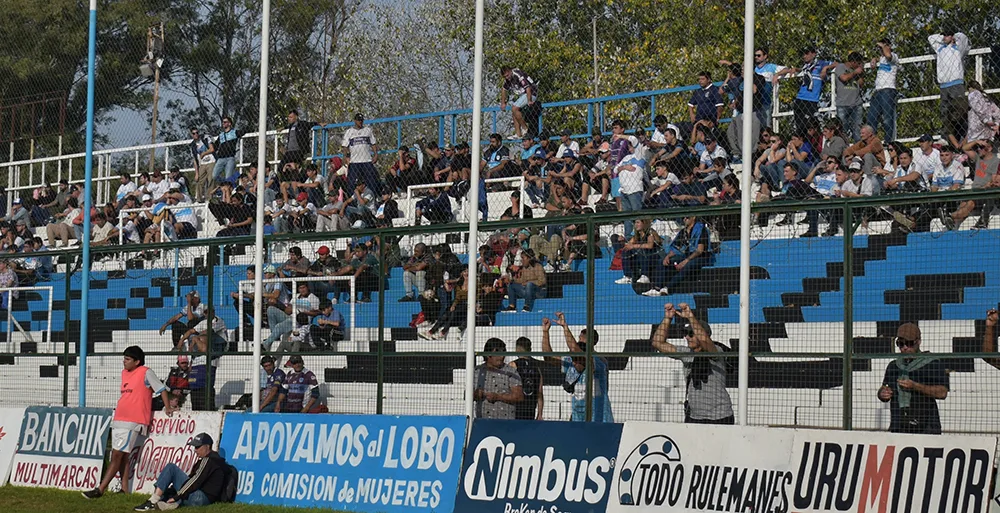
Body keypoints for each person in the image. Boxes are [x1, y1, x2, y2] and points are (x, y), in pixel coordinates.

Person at [82, 346, 175, 498]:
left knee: (117, 455)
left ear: (137, 361)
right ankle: (124, 489)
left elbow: (161, 389)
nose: (124, 362)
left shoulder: (146, 372)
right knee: (121, 455)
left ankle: (100, 489)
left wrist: (168, 407)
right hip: (119, 418)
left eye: (127, 359)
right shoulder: (124, 373)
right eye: (124, 358)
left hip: (134, 420)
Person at [651, 303, 735, 424]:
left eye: (691, 334)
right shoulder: (687, 353)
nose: (687, 337)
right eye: (685, 333)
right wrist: (668, 318)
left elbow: (705, 340)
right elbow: (657, 343)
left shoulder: (716, 351)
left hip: (720, 416)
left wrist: (690, 316)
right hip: (694, 416)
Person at [540, 312, 614, 423]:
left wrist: (565, 327)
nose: (580, 341)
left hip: (598, 416)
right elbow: (548, 358)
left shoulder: (598, 361)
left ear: (593, 342)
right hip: (578, 415)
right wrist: (545, 332)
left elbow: (576, 350)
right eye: (580, 338)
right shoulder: (572, 359)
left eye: (584, 339)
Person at [877, 323, 948, 434]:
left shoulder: (932, 363)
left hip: (926, 428)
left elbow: (942, 393)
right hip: (898, 426)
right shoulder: (893, 366)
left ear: (918, 342)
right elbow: (884, 388)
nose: (905, 348)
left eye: (909, 343)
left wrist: (915, 386)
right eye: (900, 344)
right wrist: (882, 394)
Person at [131, 433, 228, 511]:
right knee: (174, 489)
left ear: (207, 447)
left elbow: (195, 480)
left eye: (198, 447)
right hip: (205, 499)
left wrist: (177, 496)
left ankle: (153, 501)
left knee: (171, 468)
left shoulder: (208, 460)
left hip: (200, 499)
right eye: (194, 447)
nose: (195, 450)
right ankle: (170, 503)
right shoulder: (214, 460)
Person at [928, 30, 970, 141]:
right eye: (943, 35)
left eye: (947, 35)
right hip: (943, 85)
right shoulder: (940, 48)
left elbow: (964, 38)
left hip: (956, 83)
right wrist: (942, 38)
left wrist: (954, 37)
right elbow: (931, 38)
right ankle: (946, 138)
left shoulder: (958, 49)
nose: (944, 37)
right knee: (945, 112)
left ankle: (963, 136)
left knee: (959, 112)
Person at [473, 338, 524, 419]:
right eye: (498, 353)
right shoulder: (477, 371)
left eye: (503, 353)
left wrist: (498, 397)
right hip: (483, 422)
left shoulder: (510, 371)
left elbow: (519, 396)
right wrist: (476, 394)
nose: (502, 356)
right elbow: (467, 395)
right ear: (488, 354)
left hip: (505, 423)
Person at [867, 40, 900, 141]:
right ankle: (872, 141)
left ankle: (888, 141)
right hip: (878, 90)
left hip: (888, 89)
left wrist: (883, 46)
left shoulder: (894, 56)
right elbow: (882, 57)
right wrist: (874, 59)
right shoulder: (881, 58)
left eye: (882, 47)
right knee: (872, 117)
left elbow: (888, 55)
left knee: (887, 118)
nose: (880, 50)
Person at [342, 113, 381, 196]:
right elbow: (345, 146)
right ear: (355, 121)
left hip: (366, 160)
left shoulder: (367, 130)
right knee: (352, 182)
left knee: (371, 180)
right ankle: (352, 199)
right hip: (354, 161)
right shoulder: (349, 132)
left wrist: (375, 154)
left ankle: (372, 197)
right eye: (359, 120)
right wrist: (345, 157)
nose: (360, 122)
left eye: (361, 120)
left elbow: (373, 143)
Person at [510, 337, 544, 420]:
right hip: (530, 409)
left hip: (516, 409)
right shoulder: (537, 368)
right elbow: (540, 393)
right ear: (530, 349)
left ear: (517, 349)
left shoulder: (513, 365)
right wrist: (540, 414)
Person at [500, 66, 538, 139]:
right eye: (505, 77)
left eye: (507, 75)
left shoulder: (518, 75)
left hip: (531, 93)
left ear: (510, 71)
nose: (507, 78)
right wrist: (503, 102)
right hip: (524, 94)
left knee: (514, 108)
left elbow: (528, 87)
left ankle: (525, 128)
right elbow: (504, 89)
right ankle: (518, 134)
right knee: (514, 111)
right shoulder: (508, 79)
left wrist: (529, 100)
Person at [212, 117, 239, 183]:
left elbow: (244, 131)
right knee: (214, 176)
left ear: (229, 123)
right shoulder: (221, 135)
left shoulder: (234, 132)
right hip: (221, 158)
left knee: (228, 178)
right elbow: (215, 146)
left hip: (230, 158)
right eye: (223, 122)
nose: (223, 123)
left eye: (225, 122)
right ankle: (225, 184)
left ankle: (228, 184)